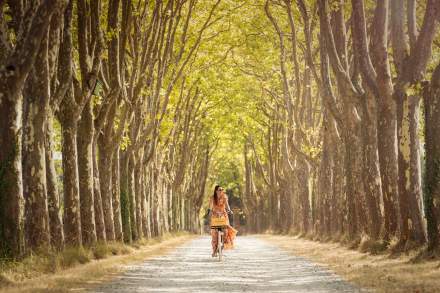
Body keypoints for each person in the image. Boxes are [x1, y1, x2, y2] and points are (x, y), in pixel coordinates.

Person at [209, 185, 238, 257]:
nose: (221, 191)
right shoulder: (212, 198)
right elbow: (210, 207)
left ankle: (221, 247)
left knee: (225, 232)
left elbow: (227, 206)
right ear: (216, 191)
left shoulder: (224, 197)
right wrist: (209, 211)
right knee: (215, 234)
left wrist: (229, 210)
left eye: (222, 189)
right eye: (219, 189)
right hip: (215, 215)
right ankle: (214, 251)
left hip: (223, 215)